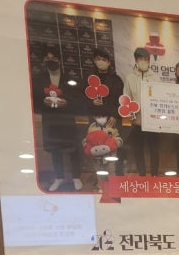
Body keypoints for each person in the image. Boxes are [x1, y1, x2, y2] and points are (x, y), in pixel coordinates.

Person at [31, 45, 83, 192]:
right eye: (47, 58)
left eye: (53, 58)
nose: (51, 60)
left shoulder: (70, 79)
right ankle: (59, 177)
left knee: (73, 148)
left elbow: (77, 99)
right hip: (50, 118)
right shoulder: (38, 79)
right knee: (55, 149)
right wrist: (43, 102)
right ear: (43, 60)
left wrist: (67, 102)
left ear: (59, 60)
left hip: (66, 117)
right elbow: (34, 99)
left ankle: (76, 177)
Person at [85, 48, 125, 175]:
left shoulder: (116, 80)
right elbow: (79, 97)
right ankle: (99, 179)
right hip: (94, 119)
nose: (101, 62)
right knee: (96, 149)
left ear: (109, 62)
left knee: (112, 149)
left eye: (104, 60)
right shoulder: (88, 78)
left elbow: (121, 100)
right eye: (98, 59)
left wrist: (115, 115)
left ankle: (115, 177)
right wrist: (91, 102)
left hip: (111, 121)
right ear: (94, 60)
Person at [122, 47, 160, 176]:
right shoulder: (130, 78)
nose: (144, 62)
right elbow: (126, 98)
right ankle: (142, 174)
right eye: (141, 59)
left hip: (153, 122)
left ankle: (154, 174)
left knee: (154, 149)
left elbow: (160, 98)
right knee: (138, 150)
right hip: (137, 122)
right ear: (136, 60)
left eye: (146, 59)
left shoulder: (155, 78)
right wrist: (130, 114)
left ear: (149, 61)